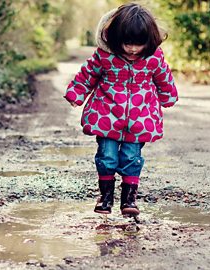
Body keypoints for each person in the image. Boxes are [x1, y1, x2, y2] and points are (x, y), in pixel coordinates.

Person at [64, 3, 178, 217]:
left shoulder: (153, 57)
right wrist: (76, 94)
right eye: (127, 43)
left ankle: (129, 199)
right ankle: (106, 197)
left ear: (149, 39)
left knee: (131, 158)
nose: (133, 49)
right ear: (116, 37)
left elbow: (164, 77)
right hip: (106, 115)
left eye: (139, 44)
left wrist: (168, 96)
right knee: (107, 157)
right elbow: (88, 74)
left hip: (139, 118)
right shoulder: (105, 56)